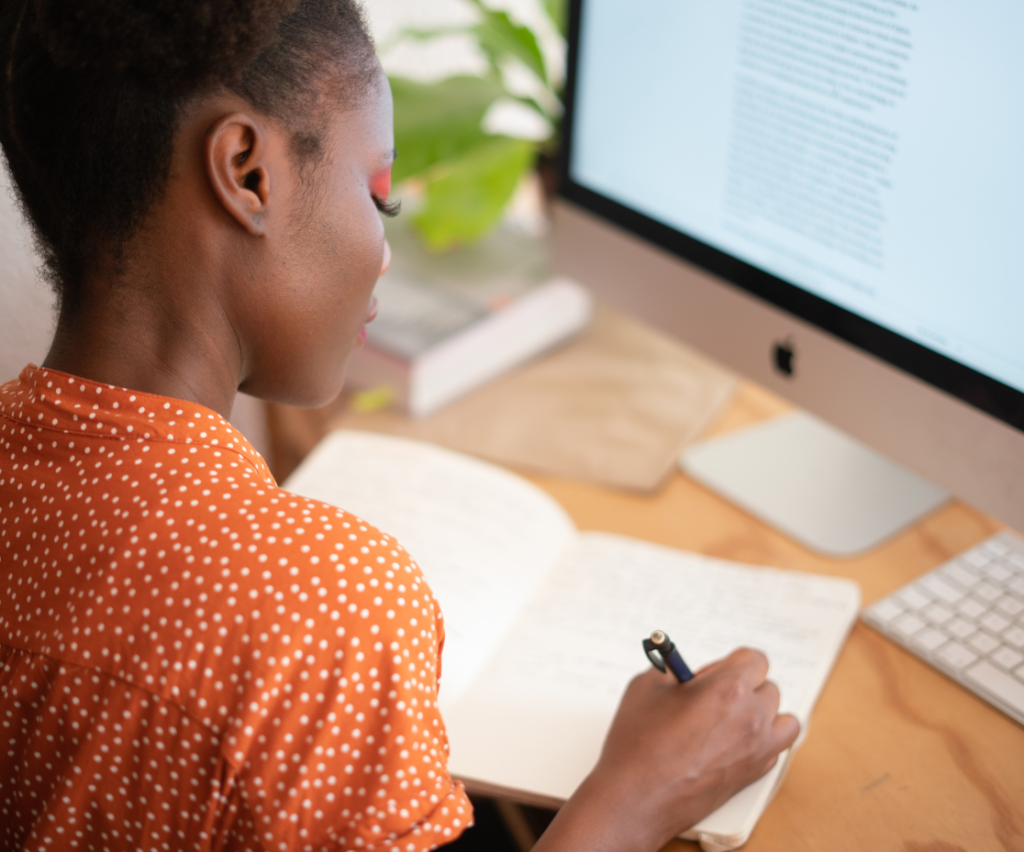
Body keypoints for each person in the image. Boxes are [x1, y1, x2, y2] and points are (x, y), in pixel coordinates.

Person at [0, 0, 799, 849]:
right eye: (378, 197)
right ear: (246, 172)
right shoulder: (318, 610)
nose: (384, 254)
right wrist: (636, 794)